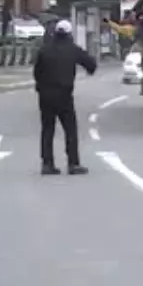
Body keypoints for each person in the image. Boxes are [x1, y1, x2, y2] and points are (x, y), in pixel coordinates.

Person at [33, 19, 97, 175]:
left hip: (45, 95)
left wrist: (40, 87)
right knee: (70, 129)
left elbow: (36, 72)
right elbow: (90, 64)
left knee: (47, 129)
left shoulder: (44, 49)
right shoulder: (72, 49)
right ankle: (73, 164)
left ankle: (47, 164)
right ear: (69, 34)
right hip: (64, 95)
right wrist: (89, 68)